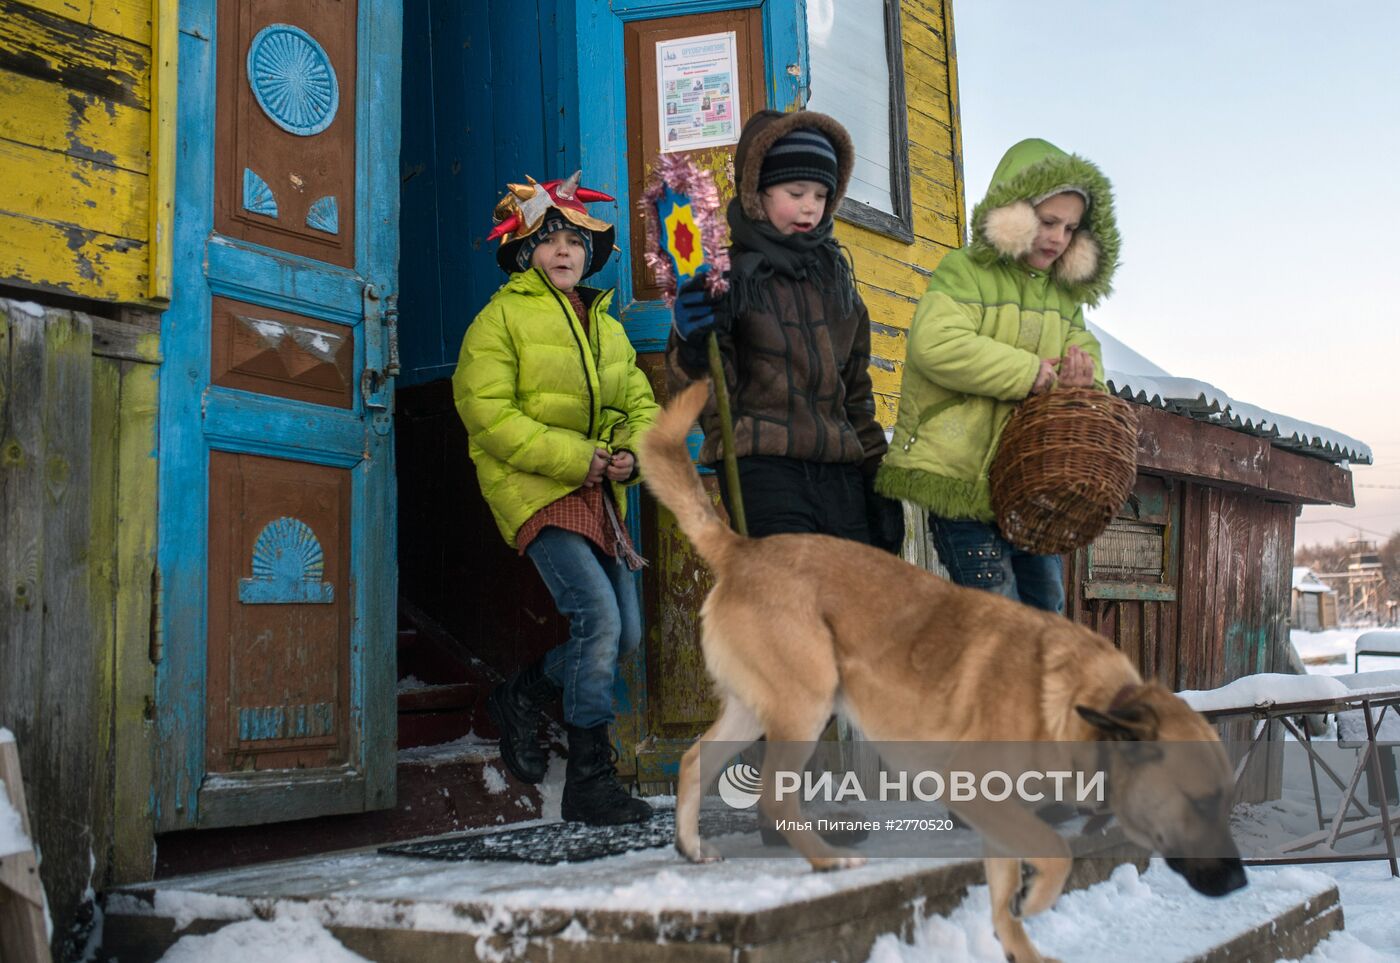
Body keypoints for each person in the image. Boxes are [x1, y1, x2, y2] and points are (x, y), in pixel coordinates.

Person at [453, 172, 659, 826]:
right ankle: (590, 780)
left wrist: (629, 451)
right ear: (523, 253)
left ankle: (520, 694)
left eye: (574, 238)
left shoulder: (607, 327)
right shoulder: (501, 318)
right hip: (541, 491)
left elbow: (640, 405)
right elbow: (487, 413)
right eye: (548, 240)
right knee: (597, 616)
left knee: (623, 632)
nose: (564, 249)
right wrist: (577, 456)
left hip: (599, 496)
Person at [875, 138, 1121, 612]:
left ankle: (1025, 690)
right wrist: (1031, 373)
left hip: (1030, 489)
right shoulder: (965, 271)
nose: (1058, 238)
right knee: (997, 617)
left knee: (1046, 610)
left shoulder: (1065, 299)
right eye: (1048, 222)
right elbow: (936, 345)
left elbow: (1093, 378)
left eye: (1070, 228)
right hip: (961, 479)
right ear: (1014, 212)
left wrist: (1079, 381)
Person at [665, 109, 901, 552]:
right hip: (762, 471)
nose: (810, 205)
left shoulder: (838, 286)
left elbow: (856, 397)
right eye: (796, 192)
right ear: (758, 191)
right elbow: (700, 396)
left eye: (821, 194)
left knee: (854, 606)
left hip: (839, 474)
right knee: (790, 603)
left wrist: (877, 481)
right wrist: (694, 344)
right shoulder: (725, 282)